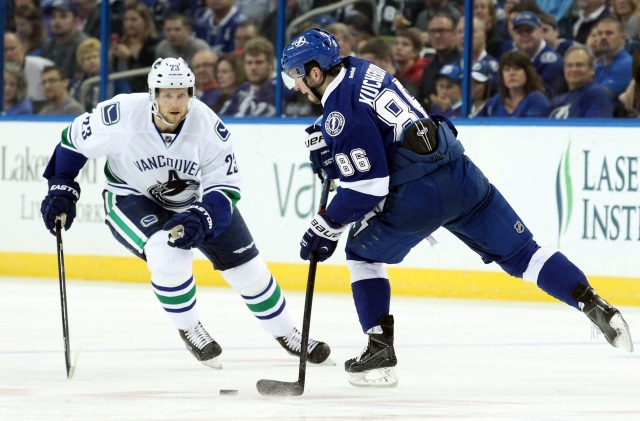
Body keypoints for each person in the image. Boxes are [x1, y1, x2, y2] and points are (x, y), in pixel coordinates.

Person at [281, 27, 633, 388]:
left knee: (361, 254)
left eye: (296, 75)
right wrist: (335, 145)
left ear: (315, 71)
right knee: (525, 254)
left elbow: (368, 188)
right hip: (460, 174)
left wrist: (326, 225)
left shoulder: (342, 110)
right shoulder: (361, 68)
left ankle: (378, 351)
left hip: (417, 196)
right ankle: (591, 301)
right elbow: (381, 126)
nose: (295, 85)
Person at [39, 57, 331, 369]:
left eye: (182, 94)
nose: (175, 102)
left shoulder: (208, 127)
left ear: (192, 94)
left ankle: (289, 334)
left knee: (251, 271)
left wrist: (205, 216)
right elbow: (72, 142)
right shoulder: (120, 114)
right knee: (168, 254)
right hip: (132, 196)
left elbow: (226, 186)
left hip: (197, 201)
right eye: (167, 94)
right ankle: (190, 327)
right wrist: (61, 185)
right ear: (153, 94)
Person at [478, 51, 550, 118]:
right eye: (507, 69)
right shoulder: (496, 100)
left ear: (527, 73)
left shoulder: (536, 99)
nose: (512, 73)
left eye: (517, 69)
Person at [549, 45, 614, 119]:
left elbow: (595, 128)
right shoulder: (557, 100)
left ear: (592, 69)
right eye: (569, 65)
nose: (574, 69)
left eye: (579, 65)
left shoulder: (598, 95)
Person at [511, 11, 566, 98]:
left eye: (529, 30)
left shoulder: (552, 63)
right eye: (520, 32)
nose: (524, 35)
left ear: (540, 30)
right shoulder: (513, 57)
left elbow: (548, 98)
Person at [70, 38, 131, 112]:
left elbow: (125, 101)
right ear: (81, 63)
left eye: (95, 57)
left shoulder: (116, 80)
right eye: (87, 58)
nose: (91, 61)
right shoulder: (77, 84)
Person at [110, 2, 159, 93]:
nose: (129, 24)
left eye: (134, 20)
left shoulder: (153, 45)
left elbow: (148, 76)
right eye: (126, 20)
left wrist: (129, 58)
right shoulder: (120, 45)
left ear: (145, 21)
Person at [220, 37, 276, 117]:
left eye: (259, 62)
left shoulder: (280, 90)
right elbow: (222, 118)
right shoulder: (242, 89)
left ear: (271, 64)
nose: (253, 67)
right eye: (249, 63)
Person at [3, 32, 54, 113]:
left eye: (12, 49)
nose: (8, 53)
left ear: (22, 48)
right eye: (4, 50)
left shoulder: (43, 67)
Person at [41, 0, 89, 82]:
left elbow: (80, 79)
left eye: (63, 16)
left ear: (76, 21)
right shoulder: (48, 44)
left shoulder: (84, 45)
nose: (57, 21)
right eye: (53, 17)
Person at [594, 17, 633, 97]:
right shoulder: (599, 65)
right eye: (599, 33)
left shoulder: (627, 65)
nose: (603, 37)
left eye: (609, 33)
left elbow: (600, 97)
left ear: (622, 37)